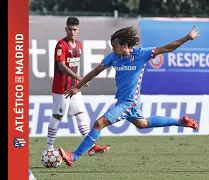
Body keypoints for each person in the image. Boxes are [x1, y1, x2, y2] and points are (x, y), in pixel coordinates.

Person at [58, 26, 200, 166]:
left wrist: (188, 37)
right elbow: (96, 71)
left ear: (124, 45)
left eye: (115, 46)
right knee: (142, 123)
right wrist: (78, 86)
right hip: (124, 101)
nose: (113, 49)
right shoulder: (114, 57)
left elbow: (168, 48)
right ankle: (180, 121)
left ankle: (74, 156)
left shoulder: (142, 54)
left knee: (99, 123)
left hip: (129, 102)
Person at [47, 16, 110, 155]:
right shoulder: (61, 45)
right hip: (61, 88)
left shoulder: (79, 45)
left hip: (74, 87)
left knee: (82, 115)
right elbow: (62, 66)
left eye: (75, 29)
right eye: (70, 29)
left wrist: (78, 83)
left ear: (78, 30)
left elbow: (75, 67)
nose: (72, 32)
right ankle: (49, 147)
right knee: (57, 116)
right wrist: (80, 79)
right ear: (66, 29)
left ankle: (91, 147)